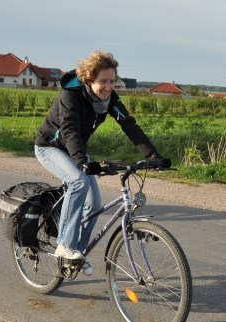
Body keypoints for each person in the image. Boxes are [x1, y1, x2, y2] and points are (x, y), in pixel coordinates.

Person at [34, 50, 170, 276]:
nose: (108, 87)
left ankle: (77, 253)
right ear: (88, 79)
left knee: (95, 205)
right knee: (78, 182)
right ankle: (65, 246)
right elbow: (69, 130)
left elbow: (130, 126)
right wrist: (81, 161)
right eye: (102, 82)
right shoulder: (71, 95)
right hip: (51, 148)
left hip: (75, 151)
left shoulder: (110, 100)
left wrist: (153, 156)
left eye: (112, 81)